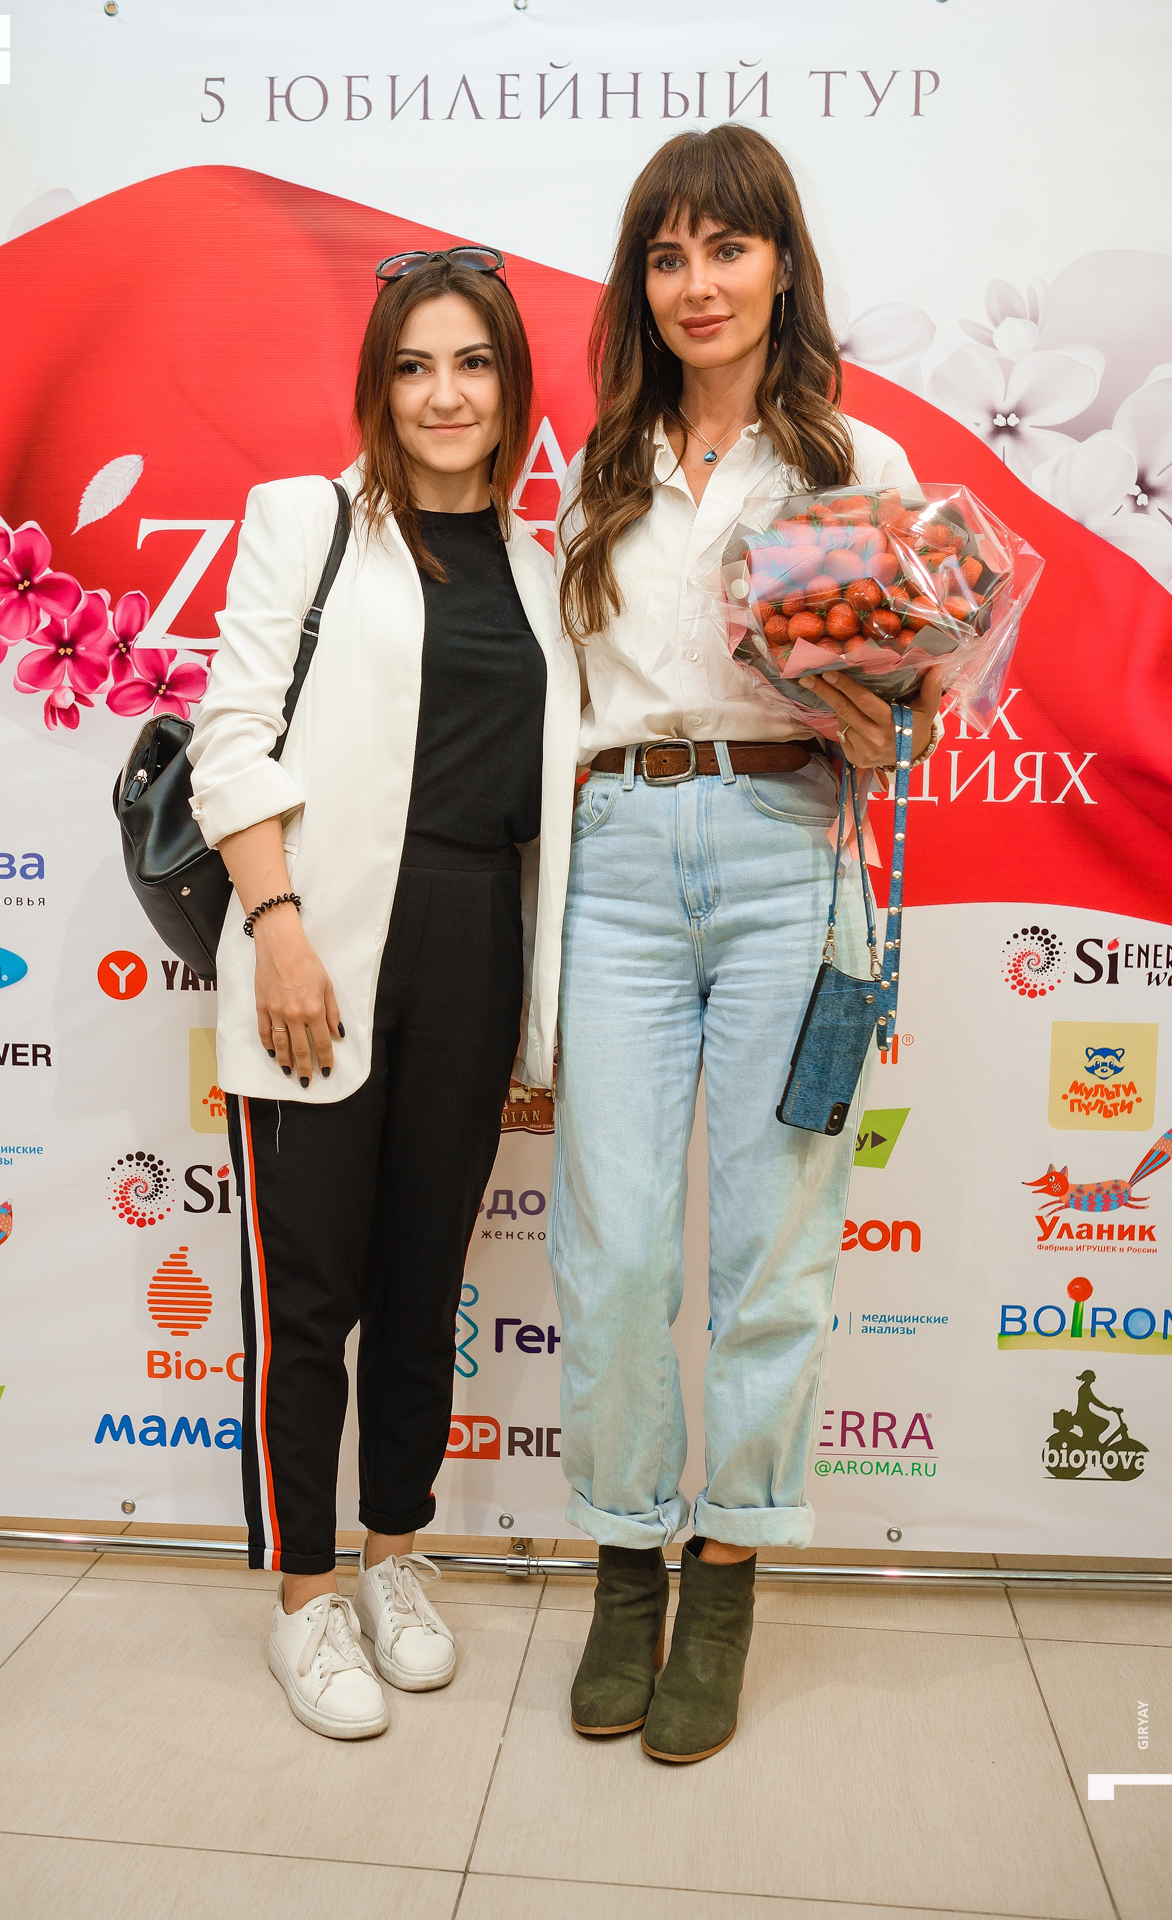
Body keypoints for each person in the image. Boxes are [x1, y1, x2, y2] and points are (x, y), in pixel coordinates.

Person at [549, 125, 944, 1765]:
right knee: (614, 1253)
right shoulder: (600, 462)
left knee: (770, 1252)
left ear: (781, 262)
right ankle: (622, 1557)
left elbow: (910, 701)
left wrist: (890, 714)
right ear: (638, 282)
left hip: (789, 856)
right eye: (666, 255)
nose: (696, 284)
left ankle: (726, 1571)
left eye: (727, 247)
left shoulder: (851, 460)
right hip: (619, 863)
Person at [187, 248, 579, 1741]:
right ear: (378, 385)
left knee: (423, 1287)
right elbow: (232, 736)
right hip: (321, 941)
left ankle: (395, 1556)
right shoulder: (305, 522)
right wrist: (277, 926)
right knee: (311, 1298)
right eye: (414, 366)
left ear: (512, 386)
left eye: (472, 363)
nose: (444, 394)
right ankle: (304, 1596)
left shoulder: (546, 571)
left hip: (476, 936)